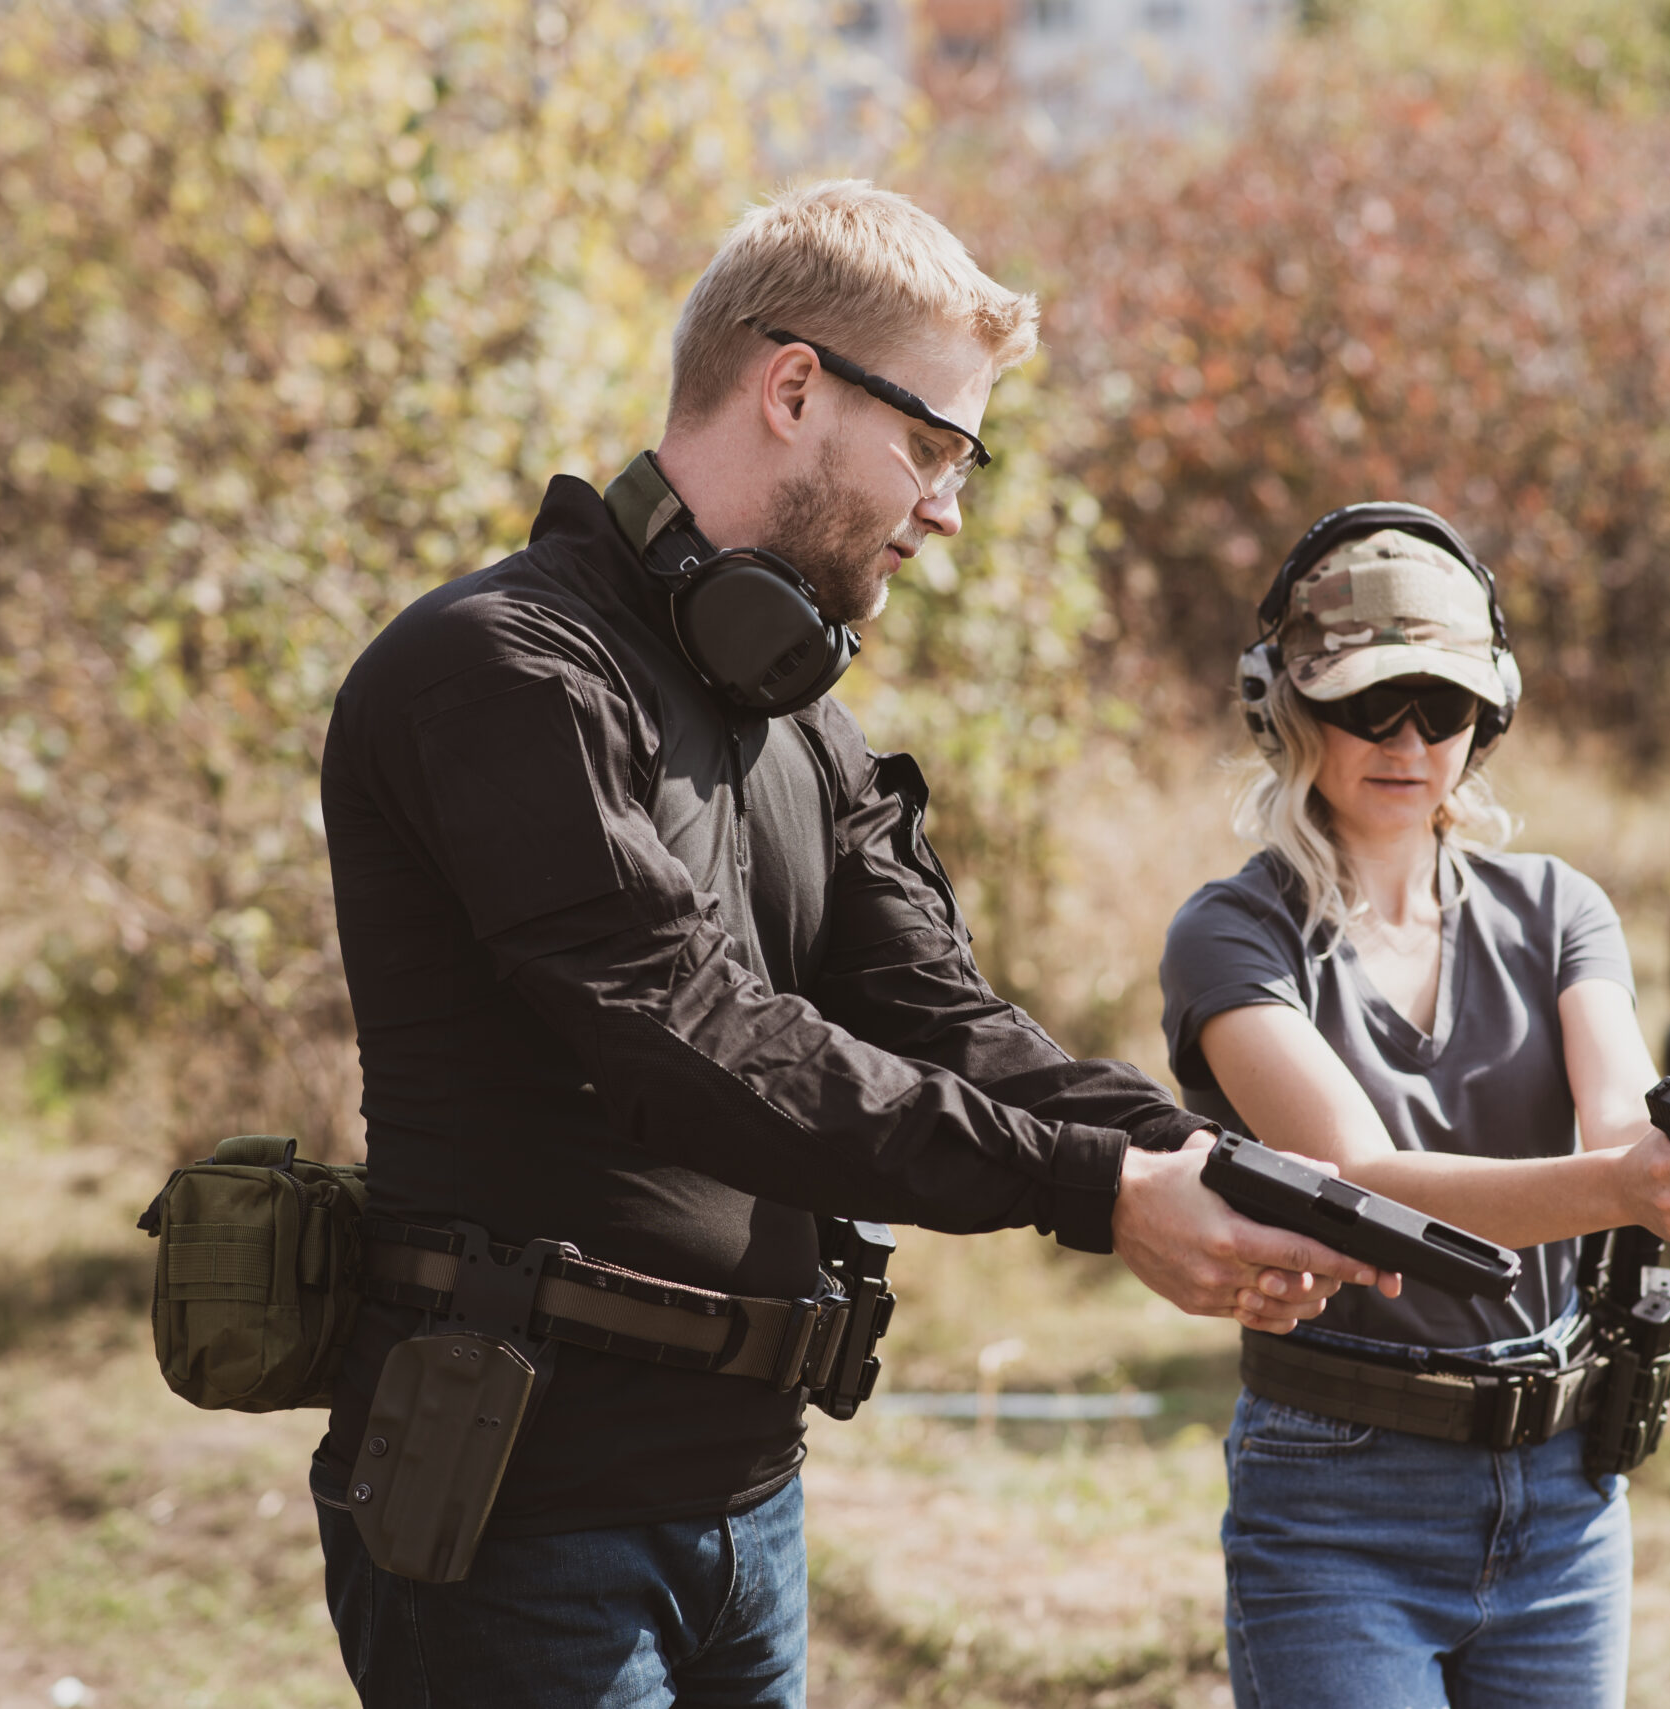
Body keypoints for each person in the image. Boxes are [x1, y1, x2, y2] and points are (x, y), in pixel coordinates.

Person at [310, 182, 1379, 1708]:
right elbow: (692, 1042)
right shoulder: (497, 670)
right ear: (795, 385)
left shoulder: (800, 713)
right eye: (935, 446)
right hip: (513, 1513)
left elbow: (940, 1015)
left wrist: (1196, 1164)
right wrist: (1097, 1191)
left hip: (746, 1496)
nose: (950, 504)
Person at [1157, 508, 1670, 1709]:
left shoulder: (1559, 908)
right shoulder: (1231, 934)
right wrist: (1625, 1185)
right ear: (1287, 708)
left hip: (1563, 1489)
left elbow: (1616, 1120)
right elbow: (1356, 1182)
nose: (1405, 739)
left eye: (1440, 709)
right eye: (1364, 703)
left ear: (1484, 718)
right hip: (1338, 1490)